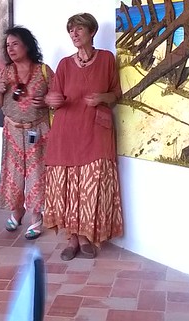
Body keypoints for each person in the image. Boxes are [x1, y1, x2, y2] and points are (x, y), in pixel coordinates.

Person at [44, 13, 124, 261]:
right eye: (71, 30)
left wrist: (101, 97)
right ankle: (72, 238)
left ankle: (86, 237)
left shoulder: (107, 59)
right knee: (69, 186)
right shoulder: (64, 65)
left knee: (91, 185)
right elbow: (54, 98)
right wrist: (52, 100)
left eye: (79, 29)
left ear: (92, 32)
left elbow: (116, 94)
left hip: (96, 130)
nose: (74, 34)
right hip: (67, 131)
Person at [0, 27, 54, 240]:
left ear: (27, 45)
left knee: (37, 174)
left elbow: (57, 97)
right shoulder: (5, 72)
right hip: (12, 130)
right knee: (14, 174)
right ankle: (17, 211)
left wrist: (45, 101)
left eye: (15, 44)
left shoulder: (43, 70)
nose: (10, 49)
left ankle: (36, 218)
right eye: (8, 45)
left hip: (38, 129)